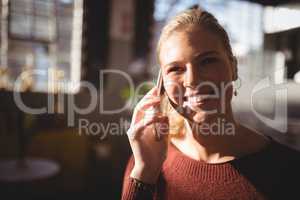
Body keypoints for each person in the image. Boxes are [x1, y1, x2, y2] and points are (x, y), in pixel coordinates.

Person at [121, 8, 300, 200]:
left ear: (233, 68)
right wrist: (145, 173)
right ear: (162, 84)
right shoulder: (148, 159)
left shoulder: (288, 169)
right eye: (175, 69)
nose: (192, 80)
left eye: (207, 61)